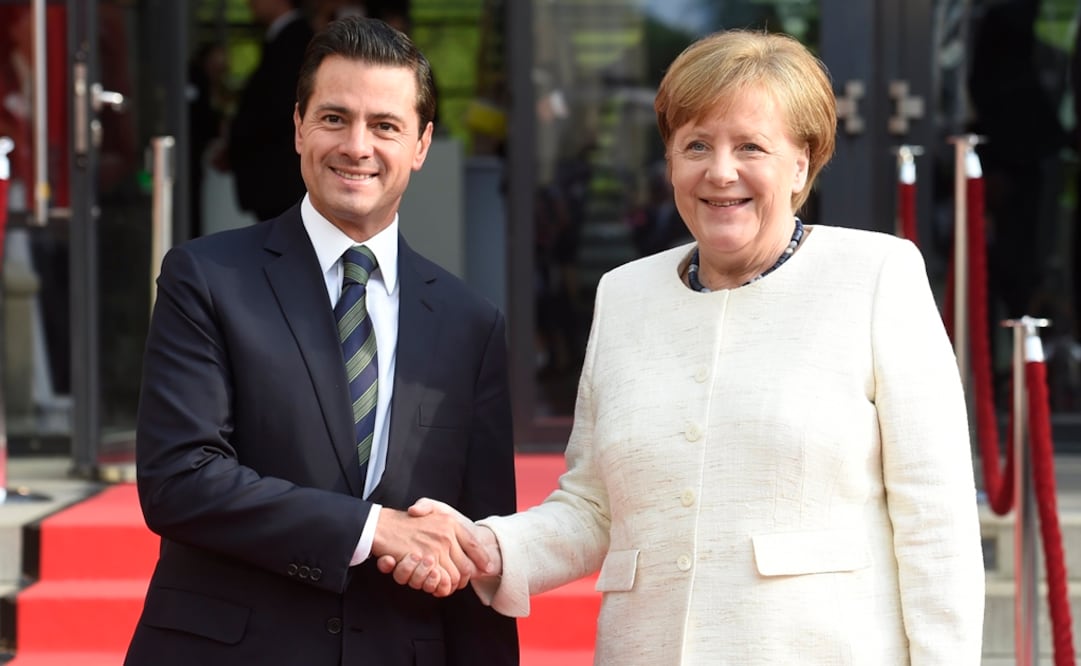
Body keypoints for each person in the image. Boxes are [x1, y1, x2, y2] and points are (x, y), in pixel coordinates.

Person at [386, 29, 985, 664]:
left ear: (802, 163)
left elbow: (936, 523)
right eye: (696, 145)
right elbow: (593, 507)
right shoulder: (624, 294)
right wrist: (487, 545)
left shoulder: (877, 276)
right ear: (670, 160)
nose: (720, 171)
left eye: (751, 146)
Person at [125, 16, 518, 666]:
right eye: (335, 118)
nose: (357, 146)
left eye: (385, 126)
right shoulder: (207, 278)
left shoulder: (470, 323)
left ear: (420, 144)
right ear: (299, 126)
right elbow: (179, 480)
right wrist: (373, 530)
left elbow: (471, 549)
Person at [221, 0, 312, 222]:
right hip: (274, 178)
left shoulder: (294, 41)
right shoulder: (283, 39)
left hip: (281, 177)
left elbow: (277, 106)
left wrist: (238, 139)